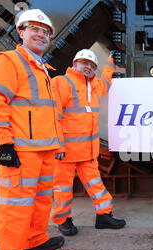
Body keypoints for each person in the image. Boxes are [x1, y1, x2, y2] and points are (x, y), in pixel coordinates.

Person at [0, 9, 66, 250]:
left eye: (46, 32)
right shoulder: (9, 61)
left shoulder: (42, 69)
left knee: (41, 201)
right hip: (21, 152)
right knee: (15, 208)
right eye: (35, 29)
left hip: (43, 150)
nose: (41, 35)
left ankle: (34, 239)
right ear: (21, 32)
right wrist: (4, 143)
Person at [51, 49, 126, 236]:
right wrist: (58, 145)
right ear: (74, 63)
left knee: (97, 186)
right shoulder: (61, 82)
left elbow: (107, 80)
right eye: (84, 63)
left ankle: (104, 215)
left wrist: (110, 61)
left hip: (88, 153)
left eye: (92, 65)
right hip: (65, 153)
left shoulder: (94, 87)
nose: (88, 67)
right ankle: (63, 220)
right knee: (62, 189)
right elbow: (53, 117)